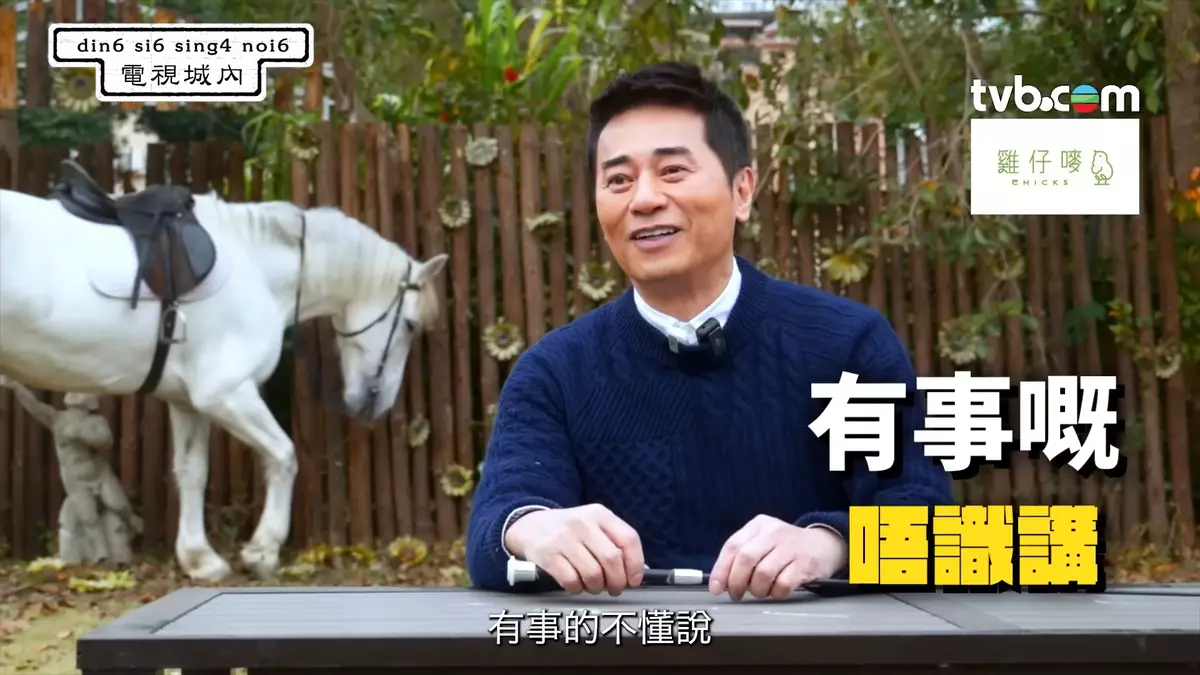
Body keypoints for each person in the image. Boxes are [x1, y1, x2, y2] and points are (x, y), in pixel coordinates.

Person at [465, 62, 954, 600]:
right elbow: (497, 524)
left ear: (742, 191)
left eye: (672, 170)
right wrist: (530, 529)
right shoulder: (555, 372)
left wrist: (830, 544)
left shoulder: (847, 344)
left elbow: (926, 524)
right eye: (619, 180)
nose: (643, 199)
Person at [0, 376, 143, 565]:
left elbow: (106, 440)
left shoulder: (96, 421)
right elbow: (35, 407)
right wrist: (17, 387)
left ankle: (132, 523)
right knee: (88, 516)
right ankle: (100, 553)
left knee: (118, 504)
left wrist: (82, 434)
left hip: (100, 473)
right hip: (75, 478)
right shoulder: (58, 419)